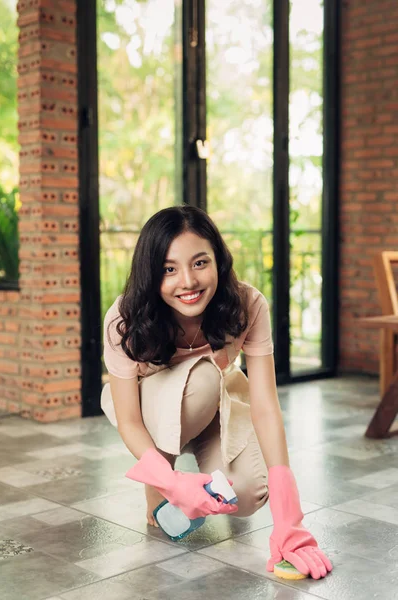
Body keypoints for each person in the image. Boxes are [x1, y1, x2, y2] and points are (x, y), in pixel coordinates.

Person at [101, 205, 332, 580]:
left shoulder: (247, 304)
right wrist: (168, 482)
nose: (188, 282)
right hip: (150, 411)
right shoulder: (124, 318)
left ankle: (191, 491)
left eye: (200, 262)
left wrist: (289, 515)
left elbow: (266, 405)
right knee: (205, 377)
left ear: (219, 261)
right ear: (150, 273)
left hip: (216, 404)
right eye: (169, 269)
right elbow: (128, 419)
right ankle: (162, 483)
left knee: (246, 494)